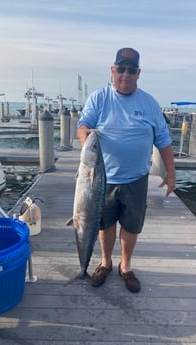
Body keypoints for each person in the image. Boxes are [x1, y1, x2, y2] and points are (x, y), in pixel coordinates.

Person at [77, 47, 176, 293]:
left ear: (138, 73)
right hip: (101, 178)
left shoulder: (150, 103)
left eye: (131, 70)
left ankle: (126, 266)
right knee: (104, 224)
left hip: (136, 178)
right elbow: (83, 125)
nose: (125, 74)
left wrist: (171, 174)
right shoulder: (99, 98)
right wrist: (85, 137)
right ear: (113, 70)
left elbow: (163, 140)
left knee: (132, 225)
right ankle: (105, 262)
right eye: (121, 69)